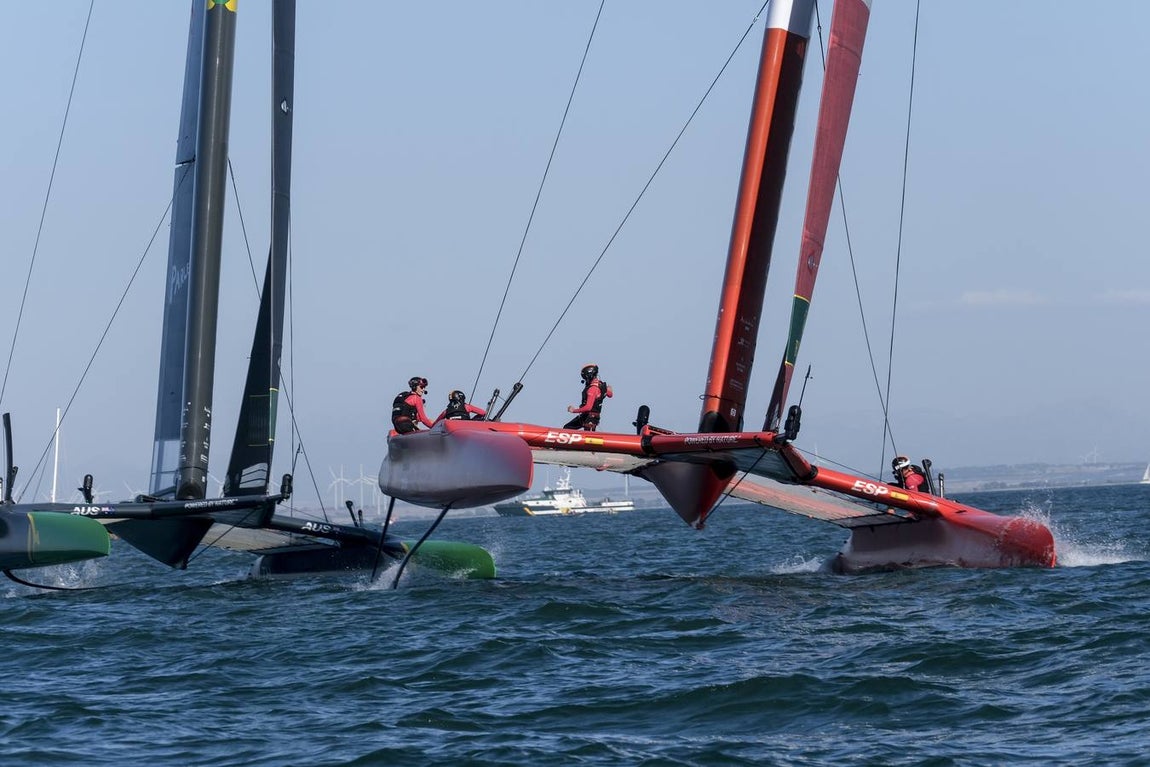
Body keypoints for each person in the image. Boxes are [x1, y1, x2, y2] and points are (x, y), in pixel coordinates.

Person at [564, 363, 612, 431]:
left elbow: (588, 407)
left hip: (589, 418)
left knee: (589, 437)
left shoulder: (592, 389)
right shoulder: (600, 385)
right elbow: (610, 394)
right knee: (567, 428)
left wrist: (574, 410)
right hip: (586, 416)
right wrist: (609, 389)